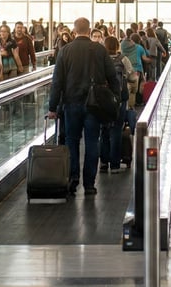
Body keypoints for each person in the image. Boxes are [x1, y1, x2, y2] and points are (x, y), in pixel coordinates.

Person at [47, 17, 119, 196]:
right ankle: (89, 185)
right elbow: (113, 77)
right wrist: (115, 98)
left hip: (71, 103)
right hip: (94, 105)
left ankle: (73, 180)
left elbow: (57, 82)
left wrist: (52, 107)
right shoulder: (100, 50)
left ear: (74, 30)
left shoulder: (65, 51)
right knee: (92, 142)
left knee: (71, 141)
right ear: (89, 30)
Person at [99, 34, 132, 174]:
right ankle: (115, 165)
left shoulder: (100, 59)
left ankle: (103, 163)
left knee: (104, 131)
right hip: (120, 99)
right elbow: (132, 76)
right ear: (117, 46)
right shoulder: (123, 59)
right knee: (117, 131)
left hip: (103, 100)